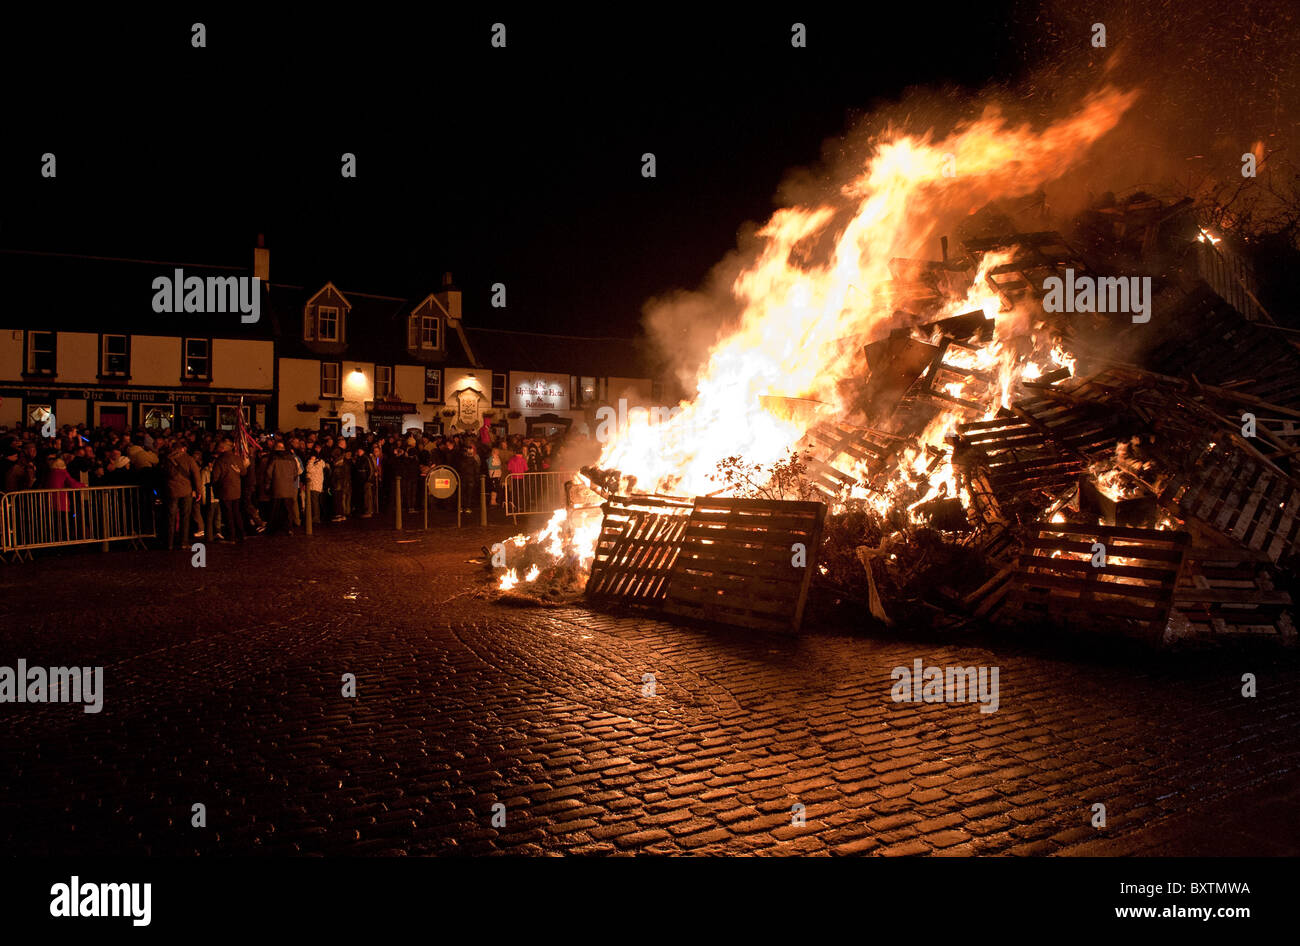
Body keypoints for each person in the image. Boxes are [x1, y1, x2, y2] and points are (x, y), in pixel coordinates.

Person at [163, 440, 202, 551]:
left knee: (171, 517)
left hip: (171, 491)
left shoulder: (166, 459)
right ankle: (183, 542)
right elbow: (196, 475)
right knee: (185, 517)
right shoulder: (188, 459)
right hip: (186, 491)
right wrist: (199, 491)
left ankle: (169, 543)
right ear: (183, 449)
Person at [211, 440, 246, 544]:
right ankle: (241, 534)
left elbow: (215, 477)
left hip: (225, 489)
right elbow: (244, 472)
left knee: (228, 514)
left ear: (223, 449)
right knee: (236, 512)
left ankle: (231, 536)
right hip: (236, 489)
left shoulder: (220, 461)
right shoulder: (237, 458)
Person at [267, 441, 300, 535]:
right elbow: (295, 474)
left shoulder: (273, 459)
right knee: (288, 510)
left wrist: (268, 485)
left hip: (277, 488)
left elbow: (269, 474)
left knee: (275, 510)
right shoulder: (291, 459)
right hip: (289, 489)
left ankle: (273, 529)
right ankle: (289, 528)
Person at [329, 447, 352, 521]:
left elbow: (336, 476)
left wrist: (333, 483)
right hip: (343, 485)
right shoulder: (344, 463)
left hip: (338, 486)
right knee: (341, 500)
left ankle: (339, 515)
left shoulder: (338, 465)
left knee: (338, 501)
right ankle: (342, 514)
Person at [306, 447, 327, 525]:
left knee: (314, 503)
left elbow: (310, 470)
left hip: (314, 485)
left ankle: (316, 518)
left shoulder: (316, 463)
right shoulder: (321, 463)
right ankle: (316, 517)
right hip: (317, 485)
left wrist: (311, 461)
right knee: (316, 502)